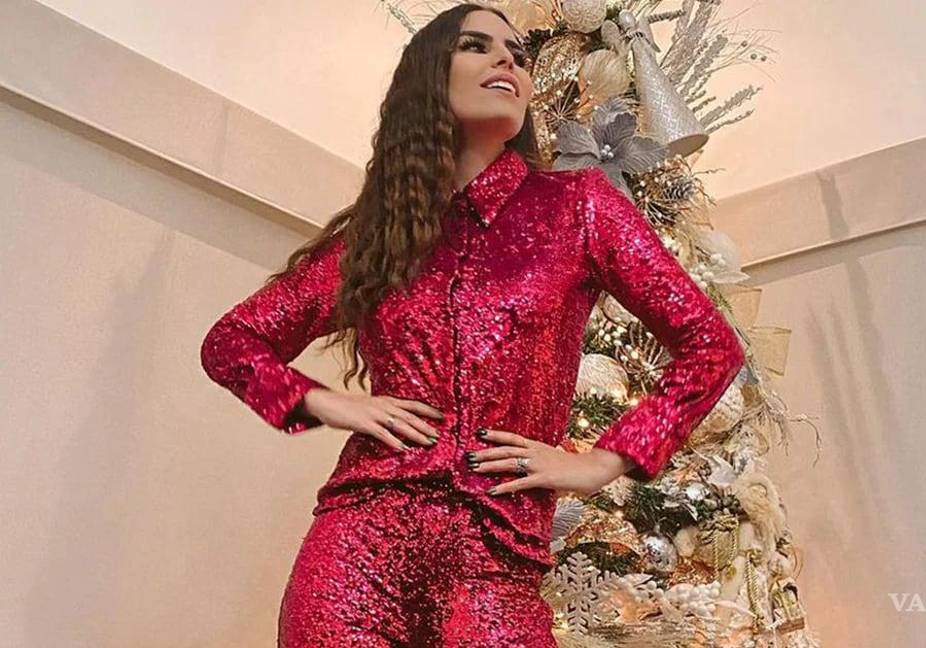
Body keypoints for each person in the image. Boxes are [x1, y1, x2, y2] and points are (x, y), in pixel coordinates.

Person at [199, 3, 746, 646]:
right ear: (430, 76)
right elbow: (229, 345)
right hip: (355, 554)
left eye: (518, 53)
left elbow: (711, 346)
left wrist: (606, 460)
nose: (507, 59)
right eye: (477, 45)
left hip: (496, 559)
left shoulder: (579, 207)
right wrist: (329, 404)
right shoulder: (379, 236)